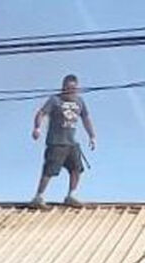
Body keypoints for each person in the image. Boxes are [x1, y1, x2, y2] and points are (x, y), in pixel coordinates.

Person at [31, 74, 97, 208]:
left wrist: (92, 136)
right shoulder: (55, 100)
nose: (70, 91)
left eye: (73, 88)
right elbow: (41, 113)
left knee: (76, 168)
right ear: (63, 87)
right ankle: (38, 197)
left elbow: (86, 118)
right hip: (56, 142)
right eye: (67, 88)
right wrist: (37, 128)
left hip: (71, 143)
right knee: (50, 170)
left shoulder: (79, 102)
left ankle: (71, 195)